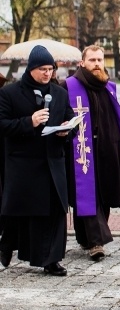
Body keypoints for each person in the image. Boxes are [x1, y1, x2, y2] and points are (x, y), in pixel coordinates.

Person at [64, 45, 120, 261]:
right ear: (82, 63)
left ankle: (85, 237)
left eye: (100, 60)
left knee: (104, 194)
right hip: (82, 148)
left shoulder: (109, 87)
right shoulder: (69, 86)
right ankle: (96, 242)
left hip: (108, 148)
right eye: (92, 60)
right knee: (86, 193)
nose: (97, 64)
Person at [0, 45, 75, 274]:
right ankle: (7, 244)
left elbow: (70, 118)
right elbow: (3, 125)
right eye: (42, 69)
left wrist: (67, 130)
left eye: (50, 69)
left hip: (53, 162)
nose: (47, 73)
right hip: (24, 165)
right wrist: (29, 122)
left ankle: (51, 260)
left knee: (54, 212)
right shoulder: (10, 93)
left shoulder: (59, 93)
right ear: (31, 68)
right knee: (20, 213)